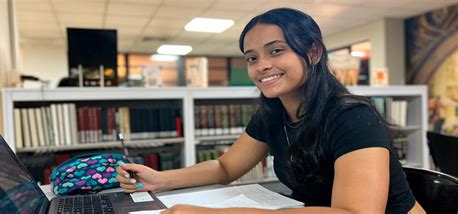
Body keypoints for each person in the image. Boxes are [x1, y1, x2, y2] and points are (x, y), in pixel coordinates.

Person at [117, 8, 425, 213]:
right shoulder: (273, 113)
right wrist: (160, 179)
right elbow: (226, 168)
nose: (262, 65)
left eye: (276, 50)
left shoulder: (352, 116)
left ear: (313, 52)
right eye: (251, 58)